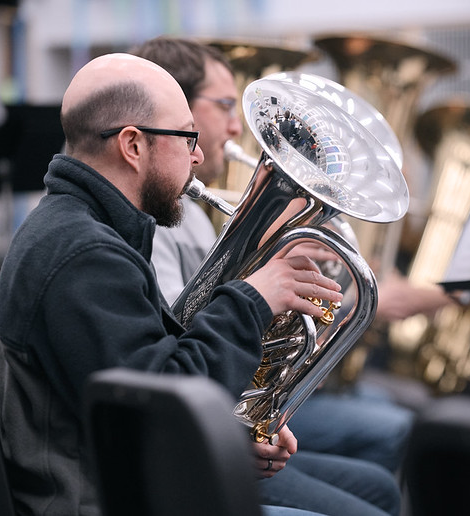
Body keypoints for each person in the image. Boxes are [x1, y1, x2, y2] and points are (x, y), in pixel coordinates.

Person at [0, 52, 397, 516]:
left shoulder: (86, 231)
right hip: (108, 500)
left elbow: (151, 377)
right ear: (133, 145)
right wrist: (253, 299)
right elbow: (160, 408)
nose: (199, 155)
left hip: (131, 480)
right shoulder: (83, 254)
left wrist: (239, 427)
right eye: (187, 137)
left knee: (376, 494)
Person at [130, 35, 413, 477]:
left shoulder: (195, 217)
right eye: (224, 106)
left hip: (214, 416)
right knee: (384, 459)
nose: (233, 128)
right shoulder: (156, 222)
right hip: (187, 441)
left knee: (378, 477)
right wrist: (261, 285)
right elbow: (181, 337)